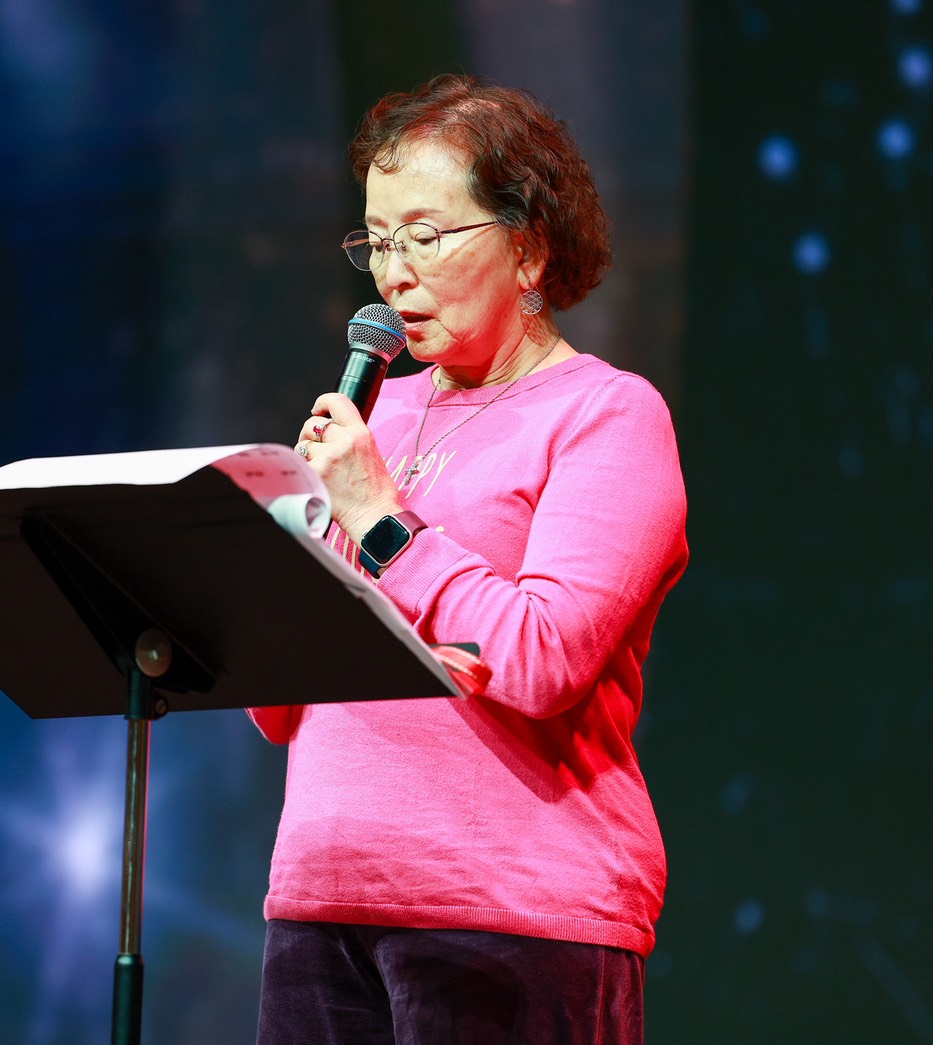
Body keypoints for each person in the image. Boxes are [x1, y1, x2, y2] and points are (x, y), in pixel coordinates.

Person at [248, 74, 689, 1044]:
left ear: (527, 247)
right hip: (320, 898)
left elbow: (540, 658)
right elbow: (279, 712)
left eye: (425, 235)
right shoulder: (371, 415)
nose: (394, 273)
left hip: (514, 915)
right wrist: (267, 575)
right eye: (377, 240)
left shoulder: (606, 415)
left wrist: (381, 522)